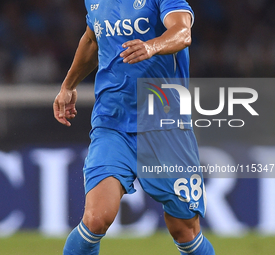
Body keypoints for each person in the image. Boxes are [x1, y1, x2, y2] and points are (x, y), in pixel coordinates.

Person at [53, 0, 215, 254]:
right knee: (96, 219)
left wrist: (153, 46)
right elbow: (92, 39)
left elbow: (183, 32)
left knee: (185, 230)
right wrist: (68, 85)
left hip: (164, 125)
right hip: (112, 122)